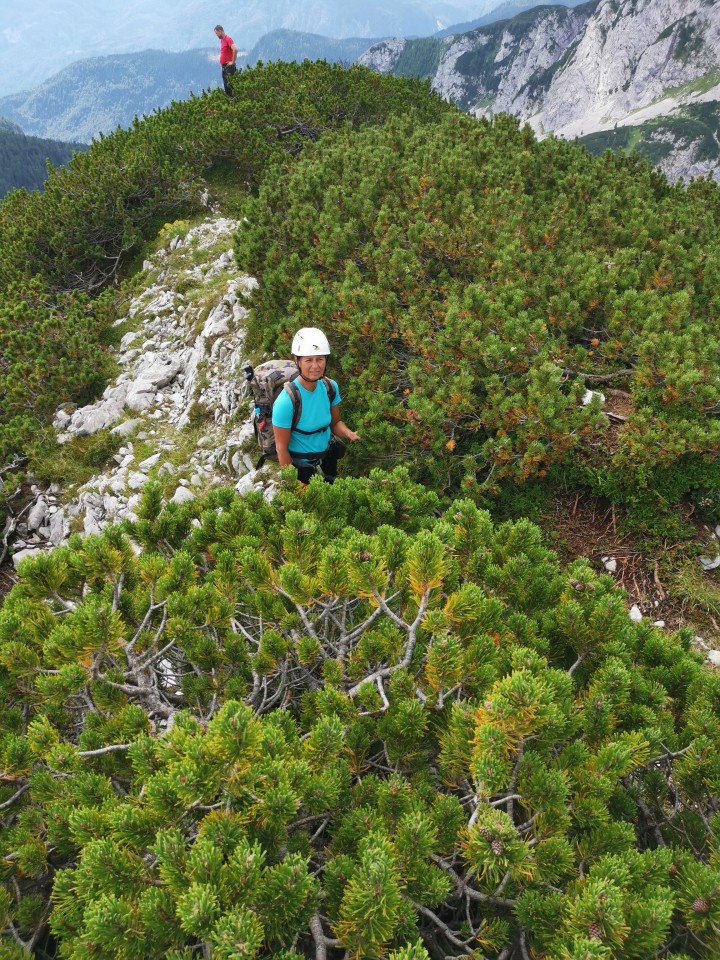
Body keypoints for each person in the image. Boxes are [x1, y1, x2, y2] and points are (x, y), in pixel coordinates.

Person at [272, 327, 360, 484]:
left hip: (328, 459)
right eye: (308, 360)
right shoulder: (286, 402)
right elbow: (281, 449)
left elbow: (335, 423)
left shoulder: (330, 387)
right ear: (297, 362)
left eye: (320, 359)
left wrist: (348, 434)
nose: (315, 366)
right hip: (301, 468)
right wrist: (294, 484)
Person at [214, 25, 237, 96]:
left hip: (229, 67)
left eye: (216, 33)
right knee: (226, 86)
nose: (216, 35)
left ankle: (233, 100)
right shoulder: (222, 40)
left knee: (230, 85)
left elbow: (235, 49)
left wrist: (232, 62)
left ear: (220, 31)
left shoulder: (228, 39)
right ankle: (230, 100)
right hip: (224, 67)